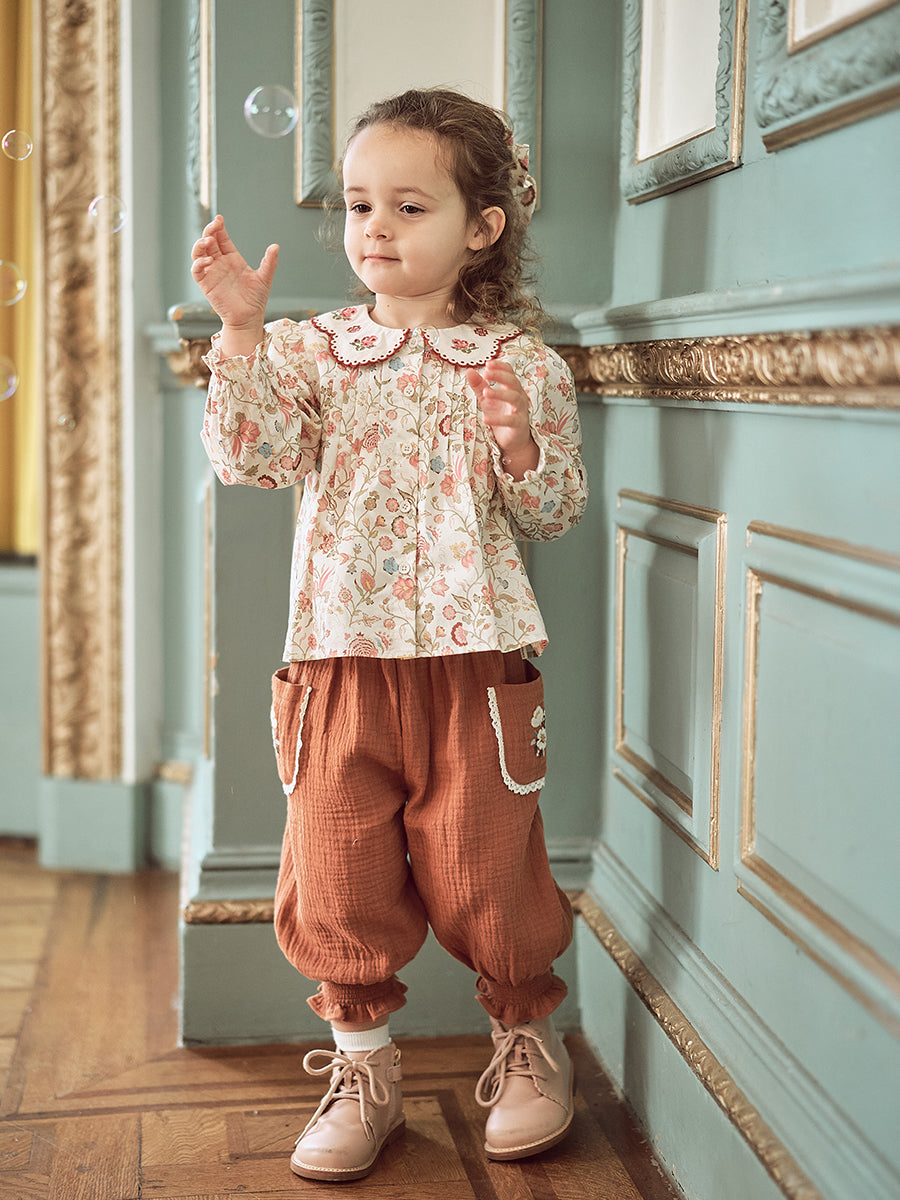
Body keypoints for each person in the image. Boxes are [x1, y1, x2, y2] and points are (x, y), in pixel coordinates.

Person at [192, 86, 588, 1183]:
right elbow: (251, 459)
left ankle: (527, 1042)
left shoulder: (521, 365)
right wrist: (240, 332)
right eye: (361, 204)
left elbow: (554, 511)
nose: (375, 227)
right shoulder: (310, 353)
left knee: (490, 874)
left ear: (482, 227)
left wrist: (521, 447)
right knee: (338, 875)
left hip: (476, 666)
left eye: (410, 207)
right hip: (340, 662)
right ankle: (364, 1067)